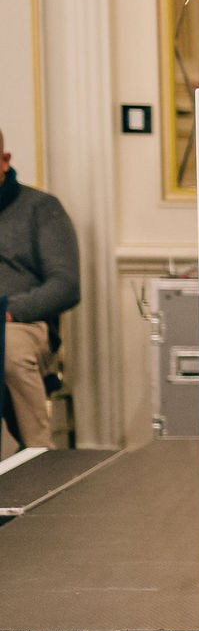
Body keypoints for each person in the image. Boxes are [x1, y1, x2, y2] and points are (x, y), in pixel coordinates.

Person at [0, 132, 79, 451]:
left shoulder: (41, 209)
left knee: (10, 351)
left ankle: (38, 454)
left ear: (4, 161)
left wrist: (9, 310)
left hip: (22, 324)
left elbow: (66, 285)